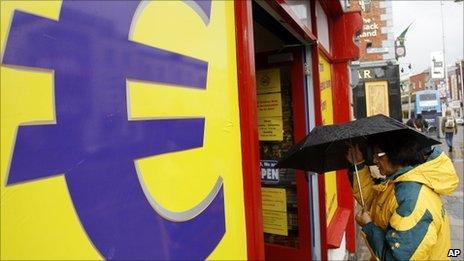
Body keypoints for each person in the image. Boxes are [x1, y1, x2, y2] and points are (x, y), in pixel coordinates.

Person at [346, 135, 458, 260]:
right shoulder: (400, 183)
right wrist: (359, 165)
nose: (374, 160)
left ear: (396, 153)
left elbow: (395, 258)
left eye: (378, 154)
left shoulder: (412, 199)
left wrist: (368, 226)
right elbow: (375, 202)